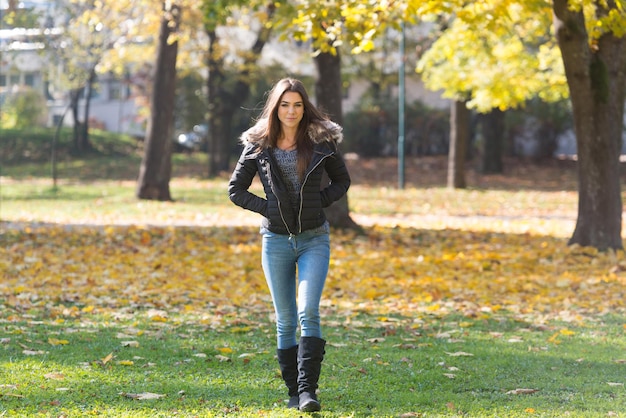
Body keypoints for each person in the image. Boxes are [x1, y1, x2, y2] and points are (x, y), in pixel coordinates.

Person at [228, 78, 351, 412]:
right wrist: (267, 208)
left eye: (297, 104)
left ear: (304, 107)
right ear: (275, 107)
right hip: (275, 240)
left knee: (307, 311)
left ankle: (308, 391)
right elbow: (235, 189)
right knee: (285, 319)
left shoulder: (321, 140)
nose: (291, 111)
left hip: (314, 238)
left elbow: (343, 180)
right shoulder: (258, 142)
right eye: (285, 104)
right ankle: (294, 393)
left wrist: (319, 202)